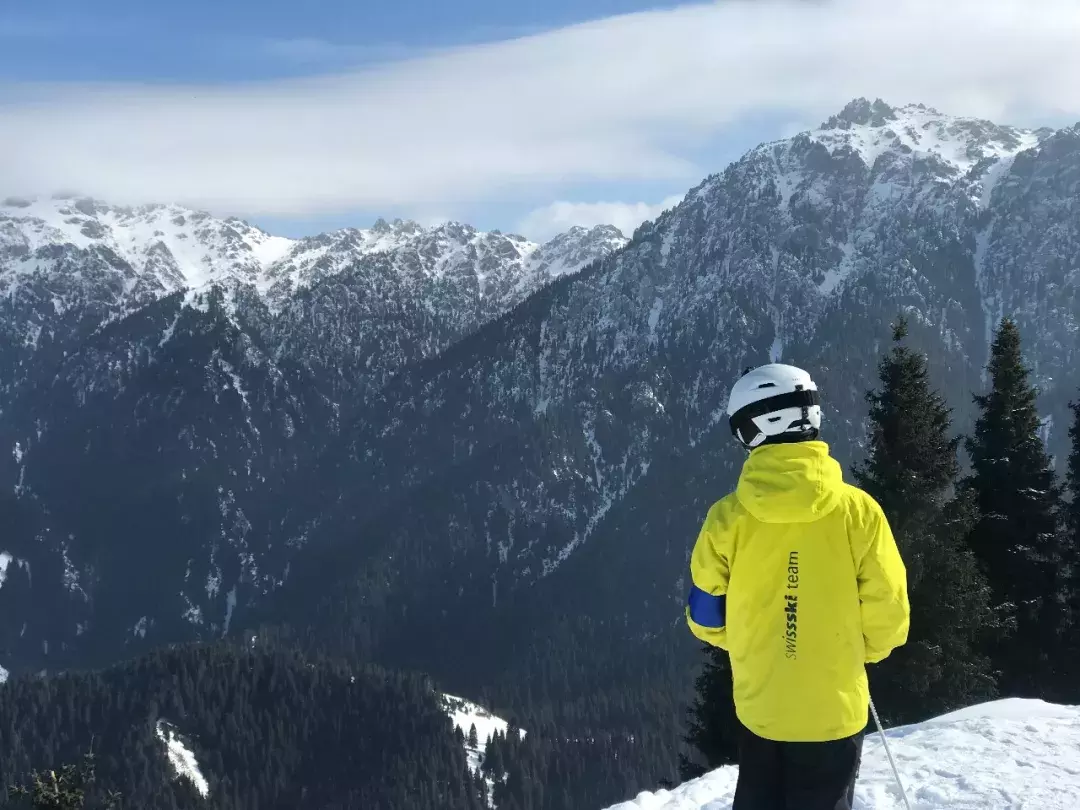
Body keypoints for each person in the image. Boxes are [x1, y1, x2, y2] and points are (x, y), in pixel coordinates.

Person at [685, 363, 909, 810]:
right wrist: (849, 652)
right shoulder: (858, 512)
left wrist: (749, 642)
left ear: (754, 427)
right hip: (834, 711)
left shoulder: (727, 518)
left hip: (761, 708)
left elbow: (705, 614)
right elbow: (890, 615)